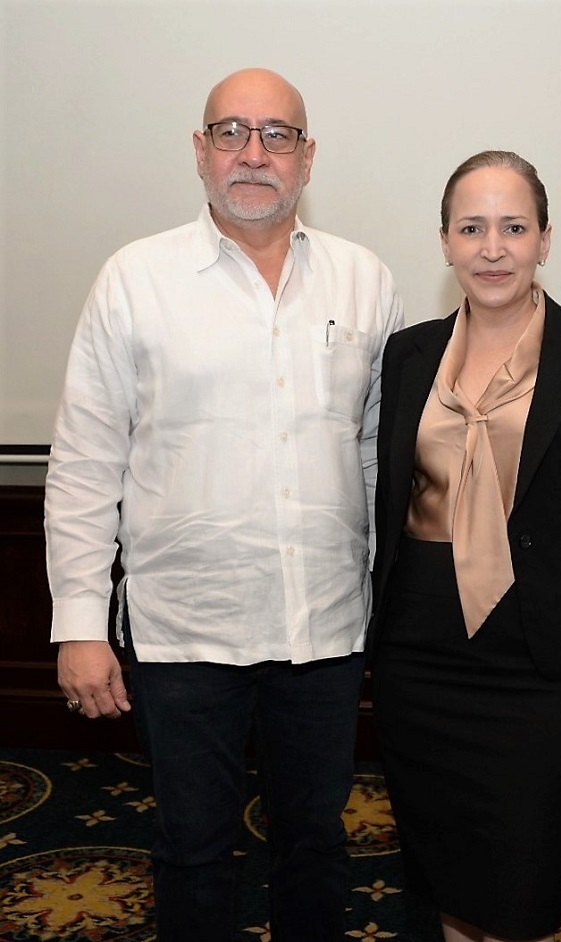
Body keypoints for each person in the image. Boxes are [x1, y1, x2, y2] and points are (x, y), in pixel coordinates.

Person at [45, 68, 403, 941]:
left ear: (307, 157)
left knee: (316, 843)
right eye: (231, 132)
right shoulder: (134, 279)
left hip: (322, 627)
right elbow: (89, 459)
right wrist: (79, 625)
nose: (254, 153)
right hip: (184, 631)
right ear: (199, 151)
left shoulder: (365, 282)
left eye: (276, 135)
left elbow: (375, 459)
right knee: (193, 848)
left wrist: (387, 612)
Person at [369, 150, 561, 942]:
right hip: (422, 660)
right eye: (472, 228)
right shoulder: (406, 356)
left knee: (525, 884)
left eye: (513, 227)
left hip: (550, 665)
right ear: (445, 242)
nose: (493, 248)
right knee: (450, 876)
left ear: (545, 239)